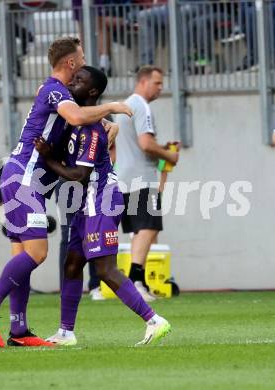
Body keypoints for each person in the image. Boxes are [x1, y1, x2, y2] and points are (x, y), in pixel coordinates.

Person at [0, 36, 132, 348]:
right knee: (38, 253)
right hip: (25, 179)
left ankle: (19, 331)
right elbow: (76, 116)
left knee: (21, 254)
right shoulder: (55, 90)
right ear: (70, 63)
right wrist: (111, 107)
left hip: (19, 177)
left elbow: (79, 117)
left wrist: (110, 123)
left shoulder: (56, 92)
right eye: (81, 60)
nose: (83, 65)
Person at [34, 65, 171, 346]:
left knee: (105, 269)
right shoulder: (76, 121)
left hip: (101, 199)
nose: (73, 82)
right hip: (85, 202)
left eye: (80, 80)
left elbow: (80, 175)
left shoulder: (91, 131)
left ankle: (154, 320)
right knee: (72, 264)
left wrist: (48, 158)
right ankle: (66, 332)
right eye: (74, 77)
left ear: (92, 91)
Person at [115, 65, 179, 302]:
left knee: (140, 231)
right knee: (149, 227)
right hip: (142, 178)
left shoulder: (124, 107)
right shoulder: (141, 106)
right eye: (157, 83)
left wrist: (160, 147)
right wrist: (169, 155)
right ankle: (135, 281)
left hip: (125, 178)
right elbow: (146, 144)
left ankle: (136, 280)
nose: (160, 88)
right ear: (142, 82)